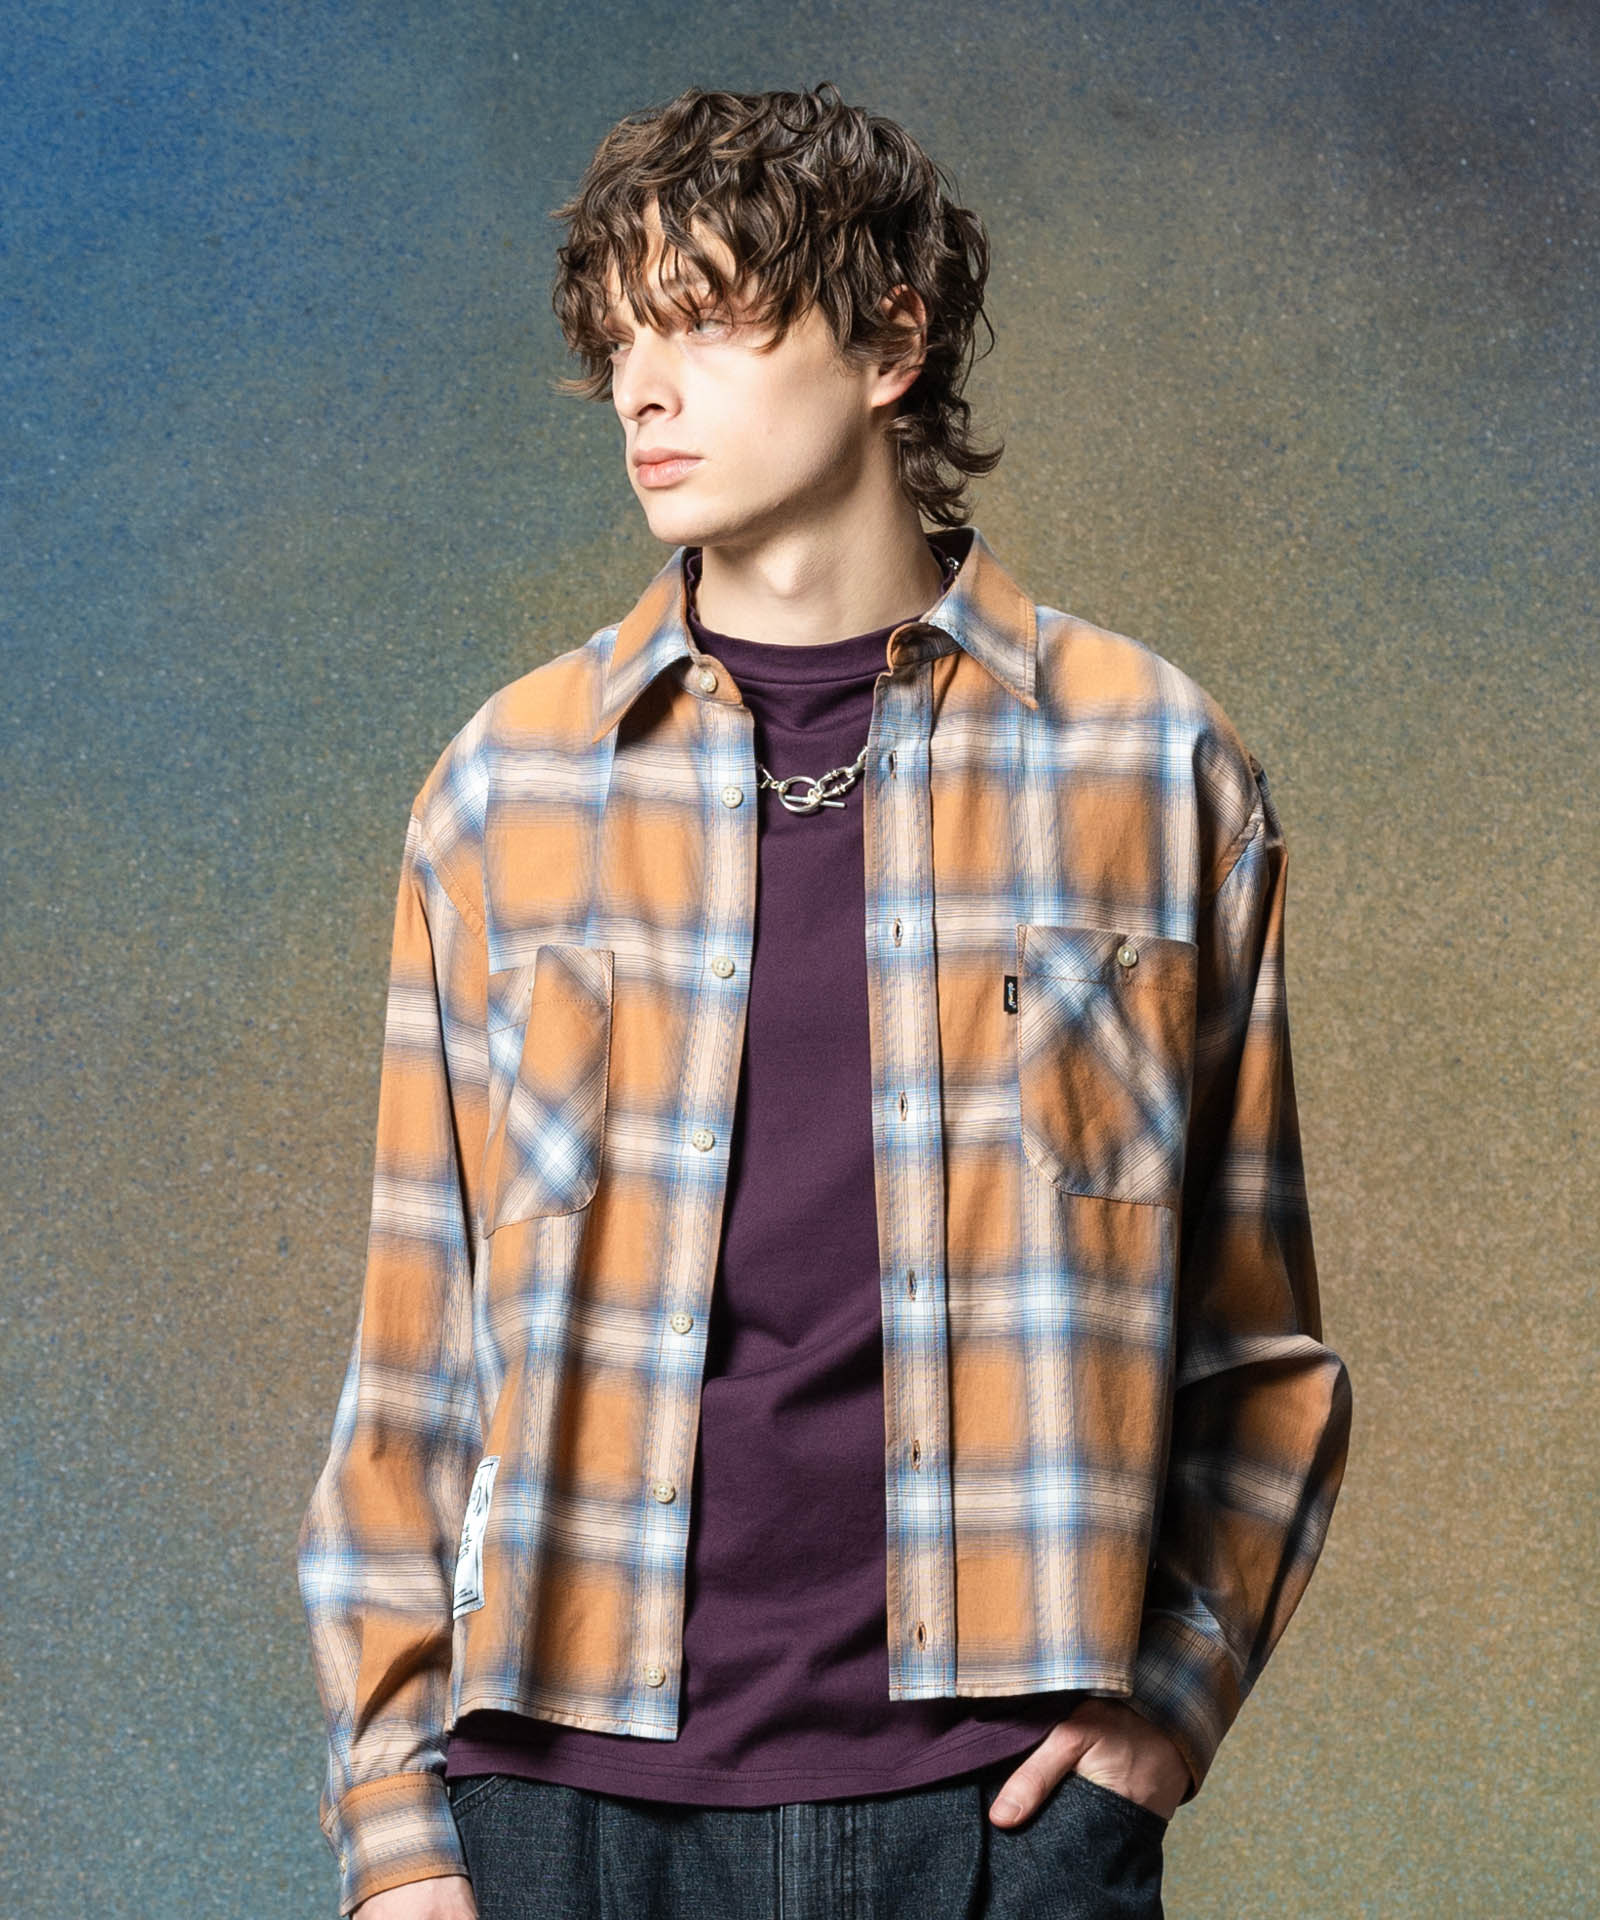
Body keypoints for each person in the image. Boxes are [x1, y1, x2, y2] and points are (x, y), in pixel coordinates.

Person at [296, 80, 1352, 1920]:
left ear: (887, 342)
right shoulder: (503, 792)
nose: (642, 388)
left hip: (1003, 1821)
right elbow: (415, 1365)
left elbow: (1257, 1354)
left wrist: (1168, 1713)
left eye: (703, 320)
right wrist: (396, 1841)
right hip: (567, 1815)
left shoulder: (1152, 765)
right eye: (619, 339)